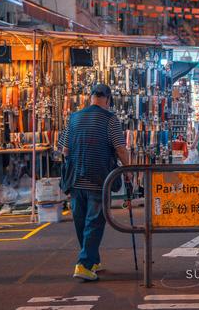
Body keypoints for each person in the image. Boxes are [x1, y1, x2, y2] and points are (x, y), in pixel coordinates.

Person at [59, 84, 130, 281]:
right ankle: (84, 264)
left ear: (90, 98)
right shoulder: (110, 120)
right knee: (94, 222)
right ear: (108, 100)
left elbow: (64, 150)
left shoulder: (73, 118)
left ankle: (92, 259)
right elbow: (120, 149)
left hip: (75, 179)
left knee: (82, 222)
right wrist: (129, 170)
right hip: (99, 179)